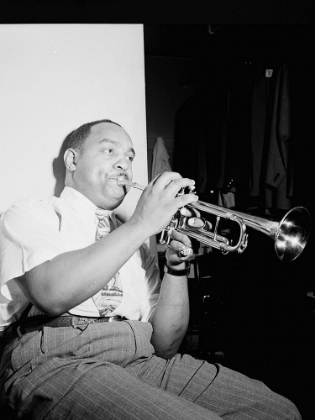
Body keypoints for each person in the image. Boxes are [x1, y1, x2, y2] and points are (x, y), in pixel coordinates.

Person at [0, 119, 301, 420]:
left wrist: (176, 267)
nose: (124, 165)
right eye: (109, 151)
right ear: (72, 159)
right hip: (57, 359)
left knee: (280, 412)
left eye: (130, 157)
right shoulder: (31, 214)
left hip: (138, 358)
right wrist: (142, 222)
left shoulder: (137, 239)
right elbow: (53, 294)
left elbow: (165, 345)